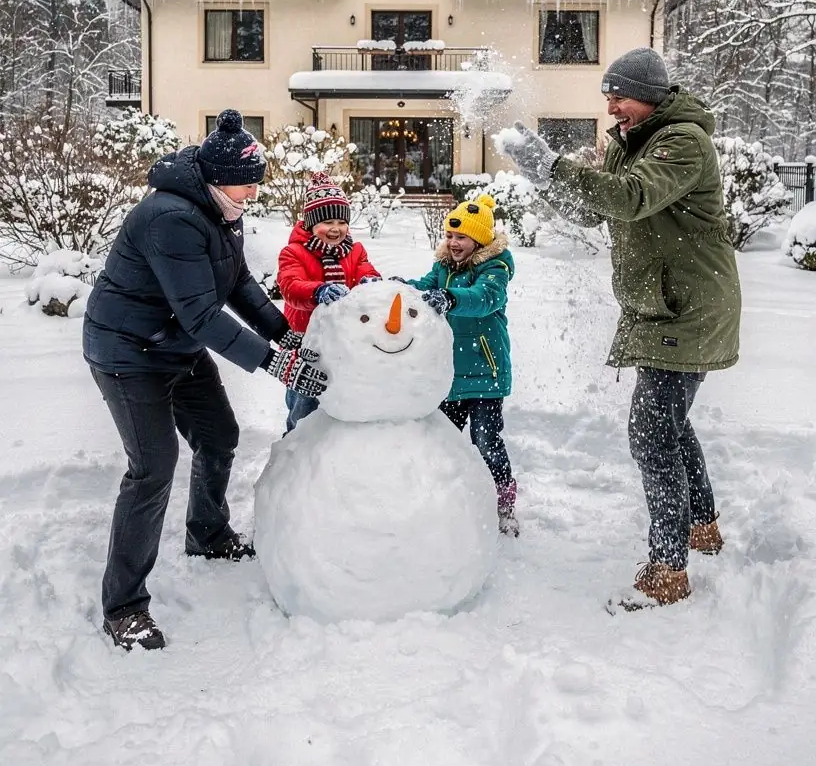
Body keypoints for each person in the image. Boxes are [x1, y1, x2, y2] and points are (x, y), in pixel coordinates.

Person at [503, 48, 741, 607]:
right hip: (663, 305)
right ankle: (700, 526)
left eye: (620, 96)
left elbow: (632, 199)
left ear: (651, 96)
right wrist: (539, 173)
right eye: (608, 97)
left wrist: (552, 165)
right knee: (670, 424)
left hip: (689, 307)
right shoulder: (631, 142)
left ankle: (668, 569)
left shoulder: (683, 142)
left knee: (652, 431)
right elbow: (594, 211)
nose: (612, 107)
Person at [84, 109, 328, 652]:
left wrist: (285, 335)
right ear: (216, 178)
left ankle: (208, 533)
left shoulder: (223, 207)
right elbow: (200, 314)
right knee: (152, 467)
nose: (253, 194)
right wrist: (275, 363)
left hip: (176, 344)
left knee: (219, 435)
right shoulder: (168, 217)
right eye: (247, 184)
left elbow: (237, 281)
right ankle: (123, 606)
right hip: (129, 352)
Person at [402, 193, 519, 536]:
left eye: (461, 237)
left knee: (486, 440)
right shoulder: (442, 268)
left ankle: (503, 499)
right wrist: (395, 288)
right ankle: (450, 499)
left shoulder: (495, 269)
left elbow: (485, 299)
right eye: (450, 236)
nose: (453, 243)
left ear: (479, 239)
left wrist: (452, 298)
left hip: (485, 374)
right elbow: (423, 290)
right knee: (444, 440)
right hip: (449, 375)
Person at [276, 174, 381, 431]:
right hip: (305, 343)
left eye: (341, 221)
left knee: (340, 396)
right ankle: (294, 447)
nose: (335, 228)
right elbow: (290, 287)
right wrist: (318, 291)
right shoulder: (294, 253)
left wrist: (370, 284)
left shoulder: (355, 252)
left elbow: (367, 272)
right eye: (327, 221)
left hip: (345, 341)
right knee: (304, 404)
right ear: (311, 224)